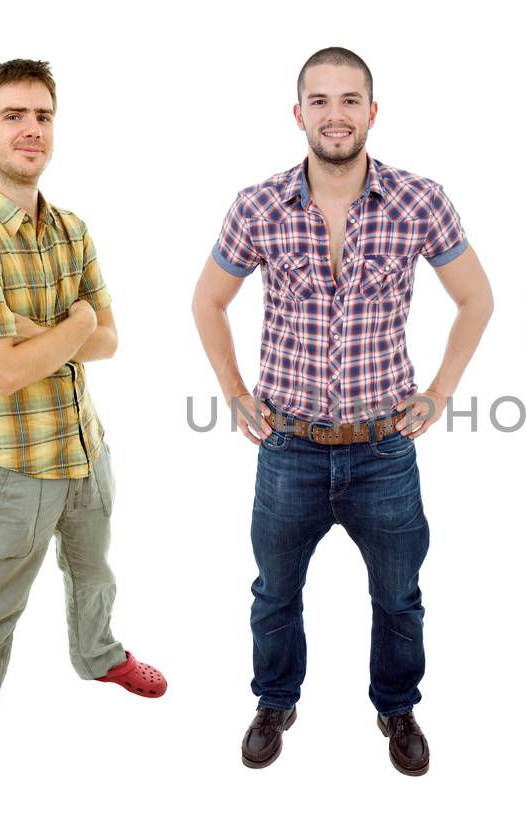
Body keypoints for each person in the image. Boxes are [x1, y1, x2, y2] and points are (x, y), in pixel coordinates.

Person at [190, 46, 493, 776]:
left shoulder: (419, 200)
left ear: (372, 113)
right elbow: (208, 300)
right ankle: (274, 700)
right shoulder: (257, 205)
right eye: (320, 101)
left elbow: (476, 298)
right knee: (274, 593)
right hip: (287, 447)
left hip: (383, 449)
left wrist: (440, 392)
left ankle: (397, 708)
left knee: (398, 597)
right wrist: (235, 393)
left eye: (349, 100)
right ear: (299, 114)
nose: (335, 115)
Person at [0, 58, 166, 782]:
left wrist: (38, 333)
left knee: (94, 573)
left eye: (43, 116)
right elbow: (1, 373)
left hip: (83, 451)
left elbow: (112, 340)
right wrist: (73, 324)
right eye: (13, 117)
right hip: (11, 469)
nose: (32, 130)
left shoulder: (71, 228)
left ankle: (97, 657)